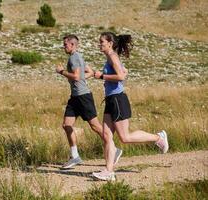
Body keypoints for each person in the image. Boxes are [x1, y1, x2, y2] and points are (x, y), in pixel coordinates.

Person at [92, 32, 169, 181]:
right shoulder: (111, 57)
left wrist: (101, 76)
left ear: (110, 43)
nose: (99, 44)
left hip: (117, 100)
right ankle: (109, 172)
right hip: (110, 100)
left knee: (125, 137)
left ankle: (158, 138)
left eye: (101, 41)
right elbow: (123, 72)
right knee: (107, 136)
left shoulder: (113, 56)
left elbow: (120, 76)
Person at [55, 34, 123, 170]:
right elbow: (90, 72)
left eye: (65, 45)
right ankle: (75, 156)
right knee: (66, 125)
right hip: (75, 97)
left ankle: (114, 149)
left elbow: (75, 76)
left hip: (83, 97)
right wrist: (82, 79)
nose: (64, 47)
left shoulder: (75, 58)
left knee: (95, 126)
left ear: (72, 45)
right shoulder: (77, 57)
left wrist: (62, 71)